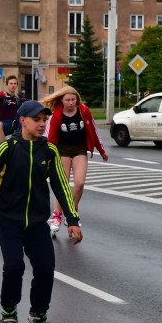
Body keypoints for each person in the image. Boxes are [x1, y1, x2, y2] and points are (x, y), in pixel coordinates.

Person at [0, 100, 83, 323]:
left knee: (45, 268)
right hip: (8, 219)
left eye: (45, 120)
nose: (42, 124)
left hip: (36, 222)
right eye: (37, 120)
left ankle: (39, 318)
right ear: (23, 121)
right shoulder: (7, 148)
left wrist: (72, 220)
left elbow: (61, 187)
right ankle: (9, 313)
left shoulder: (49, 151)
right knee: (14, 266)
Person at [42, 86, 108, 231]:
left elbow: (94, 131)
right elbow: (50, 139)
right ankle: (57, 215)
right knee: (62, 185)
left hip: (80, 150)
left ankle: (71, 213)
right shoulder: (56, 115)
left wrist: (101, 150)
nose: (71, 103)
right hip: (62, 151)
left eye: (73, 100)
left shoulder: (84, 111)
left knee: (79, 183)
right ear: (62, 100)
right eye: (68, 100)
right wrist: (47, 158)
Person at [0, 75, 25, 143]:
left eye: (15, 83)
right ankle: (4, 147)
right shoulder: (3, 96)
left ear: (17, 85)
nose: (13, 85)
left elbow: (28, 104)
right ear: (7, 85)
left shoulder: (20, 97)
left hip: (16, 123)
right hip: (4, 123)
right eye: (11, 83)